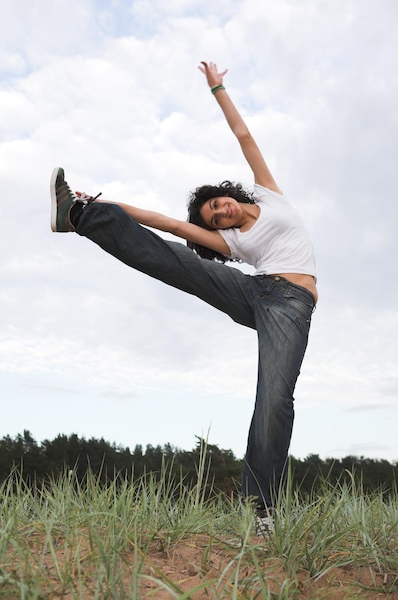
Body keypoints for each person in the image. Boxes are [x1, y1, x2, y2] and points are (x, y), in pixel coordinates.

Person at [50, 61, 317, 530]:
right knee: (175, 258)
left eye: (219, 205)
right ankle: (79, 217)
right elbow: (170, 225)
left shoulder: (271, 196)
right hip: (253, 289)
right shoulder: (232, 242)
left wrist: (217, 87)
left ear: (226, 194)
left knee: (274, 398)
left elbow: (244, 136)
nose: (222, 214)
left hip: (290, 306)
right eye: (215, 219)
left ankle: (262, 510)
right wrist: (100, 204)